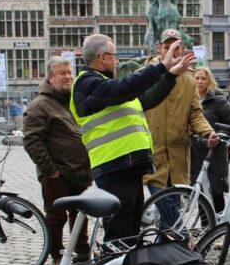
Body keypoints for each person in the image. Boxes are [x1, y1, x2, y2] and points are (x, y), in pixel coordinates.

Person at [70, 33, 195, 242]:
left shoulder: (109, 88)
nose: (117, 60)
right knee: (119, 230)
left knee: (130, 229)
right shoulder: (87, 83)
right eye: (114, 55)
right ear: (102, 57)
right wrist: (161, 66)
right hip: (113, 167)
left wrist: (171, 74)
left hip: (128, 166)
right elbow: (126, 87)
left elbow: (147, 98)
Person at [142, 28, 218, 231]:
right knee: (167, 209)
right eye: (167, 47)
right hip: (153, 155)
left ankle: (165, 256)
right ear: (160, 48)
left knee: (169, 217)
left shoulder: (189, 81)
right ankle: (184, 240)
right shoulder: (147, 73)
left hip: (178, 157)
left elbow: (195, 113)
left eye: (176, 47)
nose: (172, 51)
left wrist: (207, 132)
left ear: (182, 50)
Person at [24, 57, 94, 265]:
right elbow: (32, 140)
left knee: (80, 213)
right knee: (56, 217)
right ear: (51, 77)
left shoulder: (72, 101)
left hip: (80, 170)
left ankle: (83, 250)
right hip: (57, 173)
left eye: (70, 72)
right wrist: (51, 170)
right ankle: (57, 254)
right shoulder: (40, 105)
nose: (68, 77)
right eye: (63, 73)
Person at [190, 67, 230, 212]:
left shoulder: (218, 100)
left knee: (216, 191)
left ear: (209, 80)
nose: (199, 81)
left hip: (214, 154)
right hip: (194, 153)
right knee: (199, 192)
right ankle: (206, 228)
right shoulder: (189, 99)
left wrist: (219, 135)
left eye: (203, 78)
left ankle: (219, 228)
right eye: (197, 78)